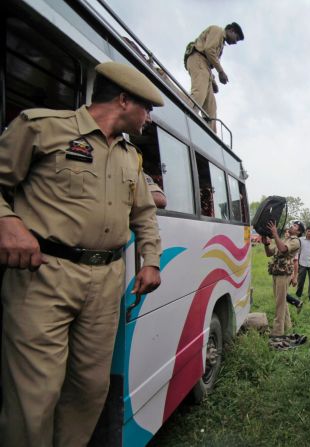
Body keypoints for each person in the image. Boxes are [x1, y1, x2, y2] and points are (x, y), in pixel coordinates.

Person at [0, 61, 163, 447]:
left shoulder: (130, 157)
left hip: (106, 283)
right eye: (147, 108)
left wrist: (151, 260)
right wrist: (6, 221)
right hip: (44, 278)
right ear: (123, 100)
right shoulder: (42, 127)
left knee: (90, 389)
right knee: (35, 395)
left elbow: (144, 214)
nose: (149, 119)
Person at [184, 23, 244, 132]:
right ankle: (183, 118)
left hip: (205, 67)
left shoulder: (221, 43)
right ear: (231, 30)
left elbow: (209, 62)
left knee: (211, 108)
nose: (235, 42)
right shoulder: (218, 31)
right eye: (237, 38)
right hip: (198, 59)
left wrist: (213, 82)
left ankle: (210, 136)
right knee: (199, 95)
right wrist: (221, 72)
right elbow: (209, 50)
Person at [262, 220, 301, 337]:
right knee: (282, 300)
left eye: (295, 226)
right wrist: (266, 244)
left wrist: (274, 233)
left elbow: (283, 249)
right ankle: (288, 326)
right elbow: (270, 253)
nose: (291, 226)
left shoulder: (295, 241)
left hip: (284, 274)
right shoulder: (285, 239)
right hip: (277, 272)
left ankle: (278, 332)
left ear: (298, 232)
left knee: (279, 303)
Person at [296, 224, 310, 302]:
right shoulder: (301, 240)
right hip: (302, 264)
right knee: (300, 282)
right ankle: (298, 296)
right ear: (306, 232)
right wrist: (297, 265)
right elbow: (298, 253)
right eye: (308, 231)